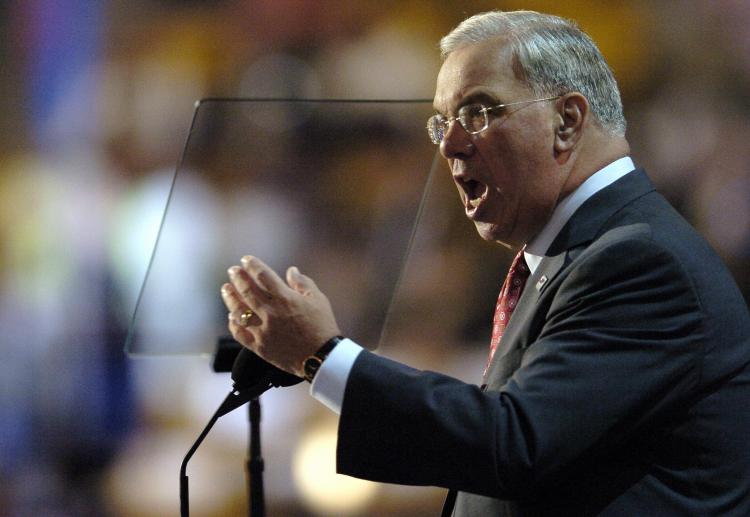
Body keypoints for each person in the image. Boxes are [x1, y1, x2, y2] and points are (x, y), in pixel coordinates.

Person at [220, 10, 750, 516]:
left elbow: (513, 442)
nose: (450, 144)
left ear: (566, 121)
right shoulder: (574, 254)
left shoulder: (639, 261)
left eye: (477, 113)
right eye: (441, 123)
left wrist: (323, 357)